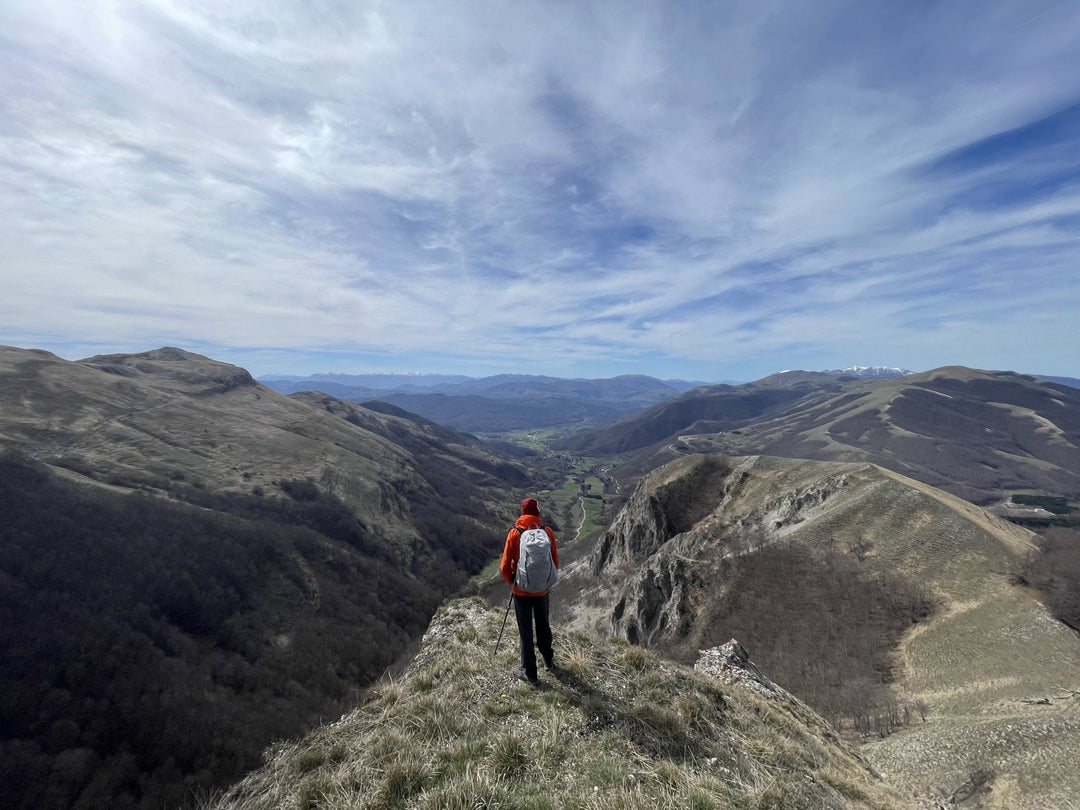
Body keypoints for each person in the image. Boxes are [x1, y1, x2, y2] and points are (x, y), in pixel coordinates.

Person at [500, 497, 559, 684]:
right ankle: (548, 661)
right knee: (543, 625)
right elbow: (554, 562)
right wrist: (546, 582)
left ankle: (530, 673)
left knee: (525, 631)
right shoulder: (547, 531)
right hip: (542, 590)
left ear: (522, 512)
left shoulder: (515, 533)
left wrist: (513, 582)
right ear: (538, 512)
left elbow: (504, 566)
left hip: (521, 591)